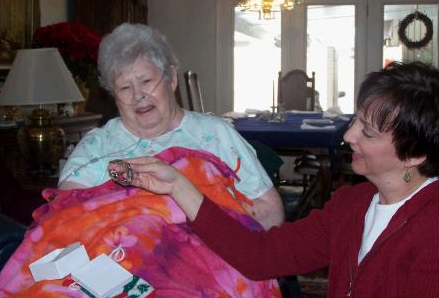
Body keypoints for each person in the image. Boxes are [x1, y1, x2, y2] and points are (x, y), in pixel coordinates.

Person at [109, 61, 439, 298]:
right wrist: (178, 184)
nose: (348, 136)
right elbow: (259, 256)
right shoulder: (353, 206)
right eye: (356, 121)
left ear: (414, 156)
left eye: (369, 131)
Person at [58, 23, 284, 229]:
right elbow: (64, 218)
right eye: (125, 88)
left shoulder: (216, 134)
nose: (138, 96)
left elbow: (271, 212)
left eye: (146, 81)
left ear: (171, 79)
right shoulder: (97, 146)